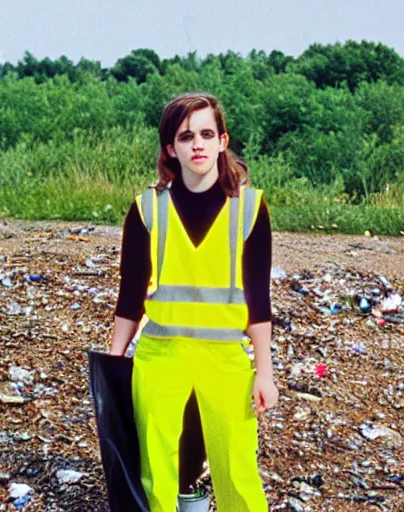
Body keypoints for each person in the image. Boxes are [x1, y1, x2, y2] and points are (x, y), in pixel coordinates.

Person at [111, 92, 278, 511]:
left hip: (225, 359)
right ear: (171, 148)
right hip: (160, 358)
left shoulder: (250, 209)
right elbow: (130, 294)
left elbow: (259, 298)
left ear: (223, 141)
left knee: (239, 471)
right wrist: (114, 363)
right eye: (186, 136)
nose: (197, 144)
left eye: (207, 133)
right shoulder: (147, 209)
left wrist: (265, 372)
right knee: (156, 474)